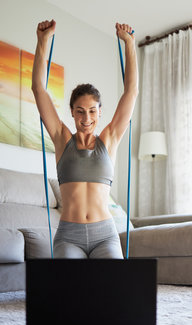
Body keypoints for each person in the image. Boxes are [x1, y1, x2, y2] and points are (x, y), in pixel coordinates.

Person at [32, 19, 139, 259]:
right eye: (80, 110)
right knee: (70, 291)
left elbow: (131, 92)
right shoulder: (62, 139)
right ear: (71, 111)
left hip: (105, 234)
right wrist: (43, 41)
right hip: (69, 235)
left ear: (100, 112)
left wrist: (130, 44)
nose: (86, 117)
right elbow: (38, 89)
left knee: (113, 289)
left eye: (92, 110)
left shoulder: (109, 139)